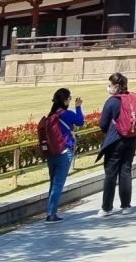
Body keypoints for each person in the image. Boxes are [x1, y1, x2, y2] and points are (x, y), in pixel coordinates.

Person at [98, 72, 136, 213]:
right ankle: (126, 205)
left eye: (110, 85)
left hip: (116, 140)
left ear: (116, 86)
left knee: (111, 173)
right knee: (126, 171)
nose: (109, 88)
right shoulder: (133, 98)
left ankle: (106, 207)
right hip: (132, 138)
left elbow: (102, 123)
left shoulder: (112, 101)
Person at [40, 87, 85, 221]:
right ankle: (51, 213)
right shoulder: (66, 114)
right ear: (65, 101)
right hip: (64, 153)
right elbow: (80, 121)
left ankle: (50, 211)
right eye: (69, 98)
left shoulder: (51, 115)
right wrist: (78, 107)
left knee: (53, 183)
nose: (70, 101)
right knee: (58, 184)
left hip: (51, 153)